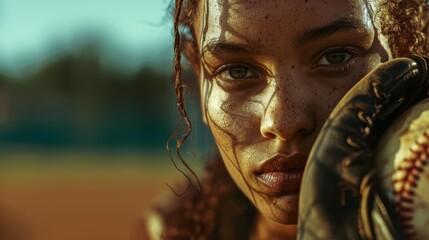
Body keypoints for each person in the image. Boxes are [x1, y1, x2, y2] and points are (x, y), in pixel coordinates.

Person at [141, 0, 429, 239]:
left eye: (336, 57)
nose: (282, 121)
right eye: (236, 71)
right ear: (201, 82)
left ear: (410, 51)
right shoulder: (175, 229)